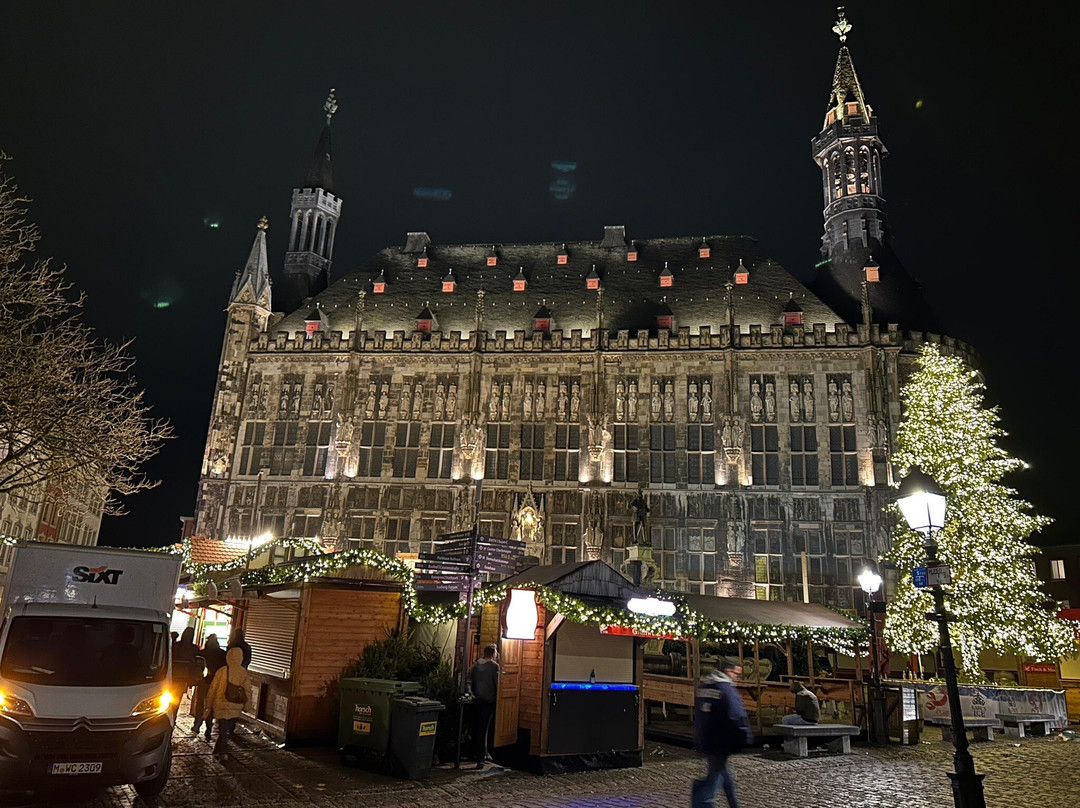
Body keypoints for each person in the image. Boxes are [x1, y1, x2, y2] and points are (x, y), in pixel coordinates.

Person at [692, 658, 753, 808]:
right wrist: (745, 736)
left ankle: (734, 804)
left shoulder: (705, 686)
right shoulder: (726, 690)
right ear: (727, 671)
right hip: (721, 741)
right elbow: (737, 716)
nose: (737, 677)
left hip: (706, 738)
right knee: (714, 778)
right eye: (736, 674)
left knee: (721, 771)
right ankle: (701, 803)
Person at [204, 646, 249, 762]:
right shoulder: (243, 672)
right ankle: (219, 751)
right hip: (235, 705)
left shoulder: (222, 670)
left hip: (221, 704)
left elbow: (213, 689)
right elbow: (247, 690)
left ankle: (222, 753)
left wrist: (208, 705)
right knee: (225, 730)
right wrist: (247, 706)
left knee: (222, 730)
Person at [468, 644, 500, 769]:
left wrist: (471, 693)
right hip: (489, 701)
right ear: (493, 654)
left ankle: (475, 753)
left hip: (476, 700)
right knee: (484, 729)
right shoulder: (494, 667)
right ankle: (481, 758)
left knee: (477, 727)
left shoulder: (476, 665)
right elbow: (498, 684)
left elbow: (469, 680)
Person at [192, 634, 226, 740]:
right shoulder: (222, 654)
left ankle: (197, 724)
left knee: (200, 703)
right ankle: (209, 728)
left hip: (203, 682)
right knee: (211, 705)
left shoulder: (203, 654)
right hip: (216, 683)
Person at [171, 627, 199, 715]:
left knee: (172, 698)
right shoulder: (194, 648)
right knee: (177, 699)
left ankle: (170, 715)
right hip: (185, 677)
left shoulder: (176, 645)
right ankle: (173, 715)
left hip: (173, 675)